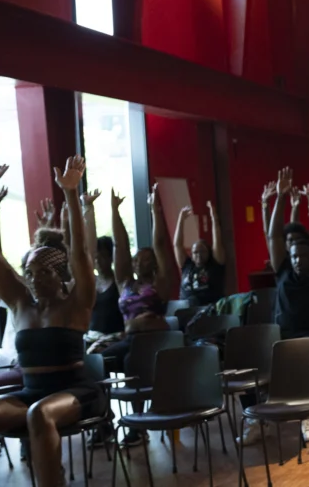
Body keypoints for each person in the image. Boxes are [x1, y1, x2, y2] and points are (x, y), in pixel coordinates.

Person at [0, 159, 101, 487]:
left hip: (76, 392)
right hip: (32, 393)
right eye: (30, 274)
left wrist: (71, 192)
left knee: (40, 413)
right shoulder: (21, 304)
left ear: (60, 275)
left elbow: (79, 252)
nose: (35, 280)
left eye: (44, 273)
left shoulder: (76, 303)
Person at [241, 166, 309, 446]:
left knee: (298, 360)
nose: (296, 260)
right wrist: (280, 197)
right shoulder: (283, 272)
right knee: (249, 368)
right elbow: (274, 237)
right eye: (293, 255)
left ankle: (307, 416)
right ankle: (257, 421)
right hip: (282, 339)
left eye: (302, 255)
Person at [102, 185, 174, 445]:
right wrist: (114, 210)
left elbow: (161, 243)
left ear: (154, 263)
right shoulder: (125, 283)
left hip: (155, 341)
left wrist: (155, 210)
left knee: (133, 361)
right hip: (130, 338)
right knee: (97, 362)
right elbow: (119, 244)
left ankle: (138, 426)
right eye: (136, 258)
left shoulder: (160, 284)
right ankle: (103, 422)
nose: (139, 261)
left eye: (146, 258)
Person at [174, 200, 227, 306]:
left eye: (202, 251)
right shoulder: (187, 265)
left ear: (209, 252)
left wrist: (214, 218)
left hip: (208, 309)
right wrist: (181, 220)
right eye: (195, 252)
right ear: (191, 255)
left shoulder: (215, 264)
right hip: (185, 308)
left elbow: (218, 241)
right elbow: (177, 245)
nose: (198, 255)